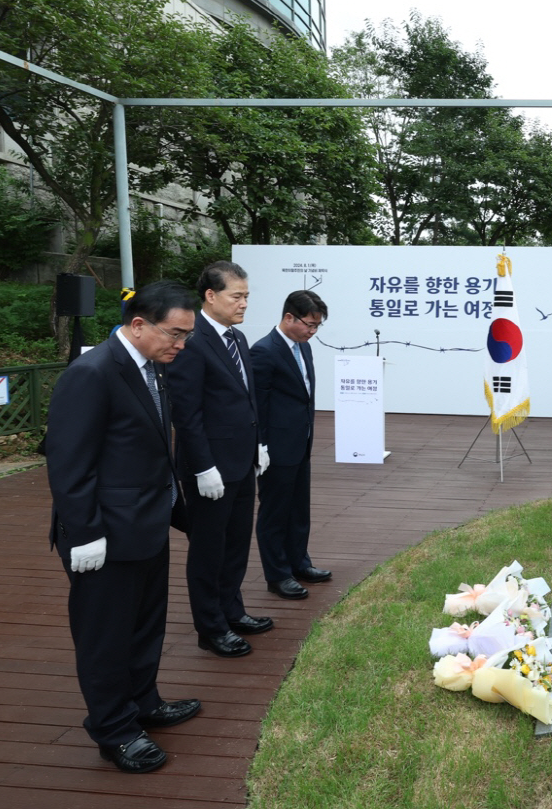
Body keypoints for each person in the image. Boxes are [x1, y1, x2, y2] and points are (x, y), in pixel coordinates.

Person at [44, 280, 201, 774]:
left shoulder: (152, 368)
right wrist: (84, 531)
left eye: (186, 336)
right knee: (105, 636)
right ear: (138, 325)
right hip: (104, 535)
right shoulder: (92, 372)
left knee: (145, 625)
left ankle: (143, 702)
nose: (180, 345)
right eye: (174, 334)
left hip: (146, 526)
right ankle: (114, 730)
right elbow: (69, 463)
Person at [169, 262, 272, 658]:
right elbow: (187, 412)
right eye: (237, 296)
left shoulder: (238, 338)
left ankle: (232, 610)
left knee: (235, 544)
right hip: (210, 467)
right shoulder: (192, 343)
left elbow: (248, 399)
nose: (244, 303)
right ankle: (210, 627)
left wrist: (259, 442)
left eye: (246, 296)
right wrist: (202, 466)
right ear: (210, 296)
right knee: (209, 549)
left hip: (242, 461)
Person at [251, 289, 334, 600]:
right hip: (275, 448)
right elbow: (257, 405)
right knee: (275, 512)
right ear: (289, 317)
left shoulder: (303, 348)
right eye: (309, 324)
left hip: (301, 443)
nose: (312, 331)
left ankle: (300, 562)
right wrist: (260, 446)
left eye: (317, 326)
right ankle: (278, 574)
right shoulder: (264, 351)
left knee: (299, 509)